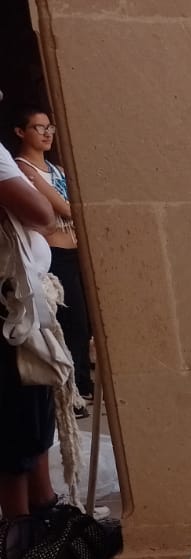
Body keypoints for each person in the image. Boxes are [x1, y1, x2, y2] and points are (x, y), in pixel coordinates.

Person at [10, 106, 93, 404]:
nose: (47, 134)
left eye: (50, 128)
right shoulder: (22, 168)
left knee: (84, 322)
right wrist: (75, 211)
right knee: (70, 322)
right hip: (54, 254)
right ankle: (73, 390)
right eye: (39, 128)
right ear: (21, 132)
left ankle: (83, 385)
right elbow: (67, 208)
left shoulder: (57, 169)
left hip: (74, 249)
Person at [0, 124, 60, 520]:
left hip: (16, 307)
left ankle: (42, 510)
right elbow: (43, 213)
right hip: (9, 311)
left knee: (32, 421)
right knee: (16, 429)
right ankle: (21, 537)